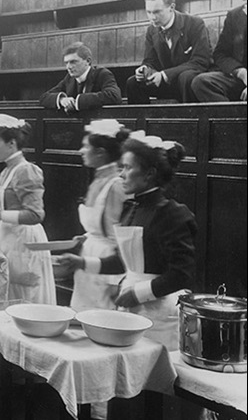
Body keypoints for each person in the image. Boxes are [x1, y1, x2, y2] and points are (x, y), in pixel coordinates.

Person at [56, 131, 196, 351]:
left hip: (158, 312)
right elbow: (122, 263)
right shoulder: (131, 209)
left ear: (149, 173)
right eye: (121, 167)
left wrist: (138, 294)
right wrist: (81, 263)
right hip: (130, 305)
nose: (121, 174)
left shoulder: (172, 214)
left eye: (127, 168)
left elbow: (181, 274)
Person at [0, 114, 55, 305]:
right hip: (8, 237)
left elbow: (36, 214)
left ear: (11, 143)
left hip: (24, 241)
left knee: (23, 297)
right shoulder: (6, 170)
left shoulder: (26, 170)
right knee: (5, 292)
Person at [70, 119, 130, 312]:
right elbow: (99, 226)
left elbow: (121, 236)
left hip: (107, 264)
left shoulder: (116, 185)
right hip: (89, 258)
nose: (81, 151)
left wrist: (116, 281)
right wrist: (86, 237)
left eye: (85, 146)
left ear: (101, 153)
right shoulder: (98, 179)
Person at [125, 0, 211, 104]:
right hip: (167, 82)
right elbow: (150, 60)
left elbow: (200, 61)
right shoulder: (151, 30)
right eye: (149, 12)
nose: (152, 17)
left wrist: (165, 75)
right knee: (133, 82)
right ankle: (144, 120)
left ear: (172, 7)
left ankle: (190, 121)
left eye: (157, 12)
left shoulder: (194, 23)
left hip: (189, 81)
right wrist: (144, 69)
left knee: (186, 77)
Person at [192, 0, 247, 102]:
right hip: (240, 78)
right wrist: (240, 71)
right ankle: (232, 122)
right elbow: (220, 54)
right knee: (201, 82)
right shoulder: (234, 16)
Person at [38, 42, 122, 113]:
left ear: (88, 61)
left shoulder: (102, 74)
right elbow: (43, 97)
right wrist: (61, 99)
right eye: (66, 63)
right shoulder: (69, 78)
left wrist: (77, 101)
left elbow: (115, 96)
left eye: (73, 62)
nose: (68, 67)